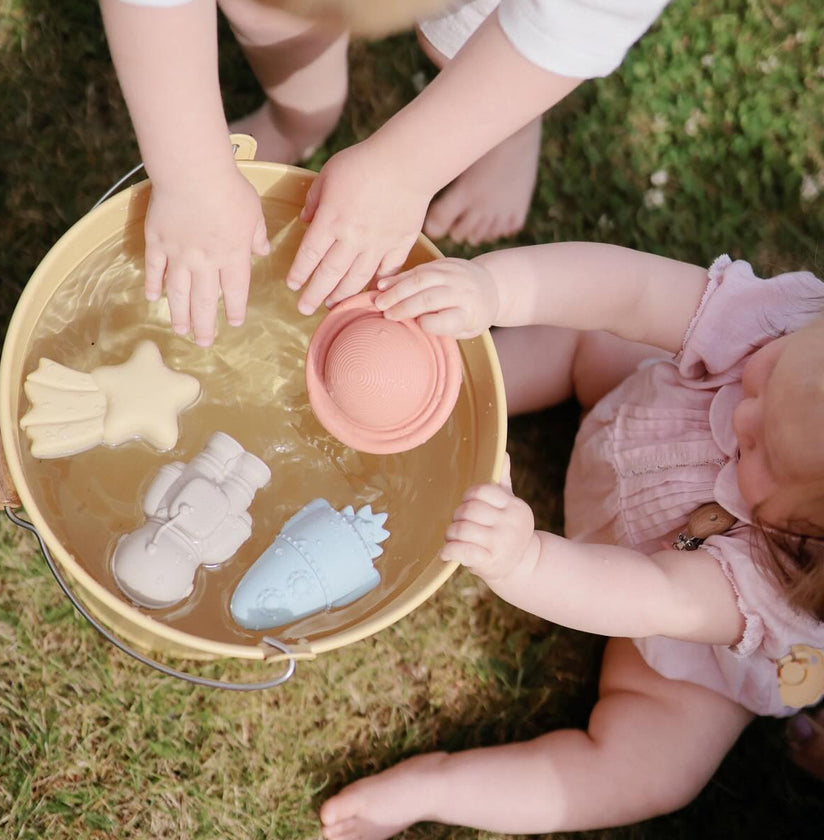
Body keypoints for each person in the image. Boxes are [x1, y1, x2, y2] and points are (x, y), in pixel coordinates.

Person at [87, 0, 762, 344]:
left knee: (480, 37)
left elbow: (573, 19)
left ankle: (505, 127)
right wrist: (193, 178)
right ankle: (302, 116)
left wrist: (406, 170)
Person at [316, 242, 824, 839]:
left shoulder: (780, 582)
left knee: (649, 770)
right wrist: (494, 290)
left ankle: (435, 787)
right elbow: (632, 292)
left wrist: (524, 560)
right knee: (590, 335)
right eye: (770, 377)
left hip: (673, 628)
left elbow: (652, 591)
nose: (742, 415)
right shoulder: (790, 320)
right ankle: (440, 395)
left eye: (761, 450)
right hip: (630, 409)